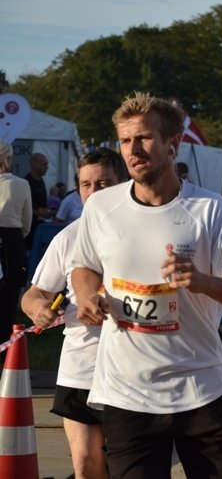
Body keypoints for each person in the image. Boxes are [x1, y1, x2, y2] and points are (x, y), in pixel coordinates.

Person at [71, 92, 222, 477]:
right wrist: (87, 293)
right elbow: (84, 266)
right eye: (126, 141)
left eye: (144, 138)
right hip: (127, 394)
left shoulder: (210, 210)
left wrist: (203, 281)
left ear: (172, 144)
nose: (133, 150)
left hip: (202, 390)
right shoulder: (101, 206)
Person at [21, 148, 128, 479]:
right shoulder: (67, 237)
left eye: (103, 183)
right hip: (79, 365)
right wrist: (38, 308)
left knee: (122, 465)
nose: (94, 192)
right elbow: (34, 294)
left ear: (123, 182)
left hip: (129, 369)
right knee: (85, 463)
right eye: (86, 185)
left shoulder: (141, 232)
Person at [0, 139, 32, 355]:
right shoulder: (21, 185)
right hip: (11, 246)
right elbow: (27, 224)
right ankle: (6, 358)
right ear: (8, 159)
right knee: (7, 309)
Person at [25, 151, 52, 247]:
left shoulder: (41, 181)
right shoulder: (26, 182)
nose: (47, 167)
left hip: (40, 227)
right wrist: (38, 213)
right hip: (29, 229)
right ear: (34, 165)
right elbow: (23, 207)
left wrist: (49, 212)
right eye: (44, 164)